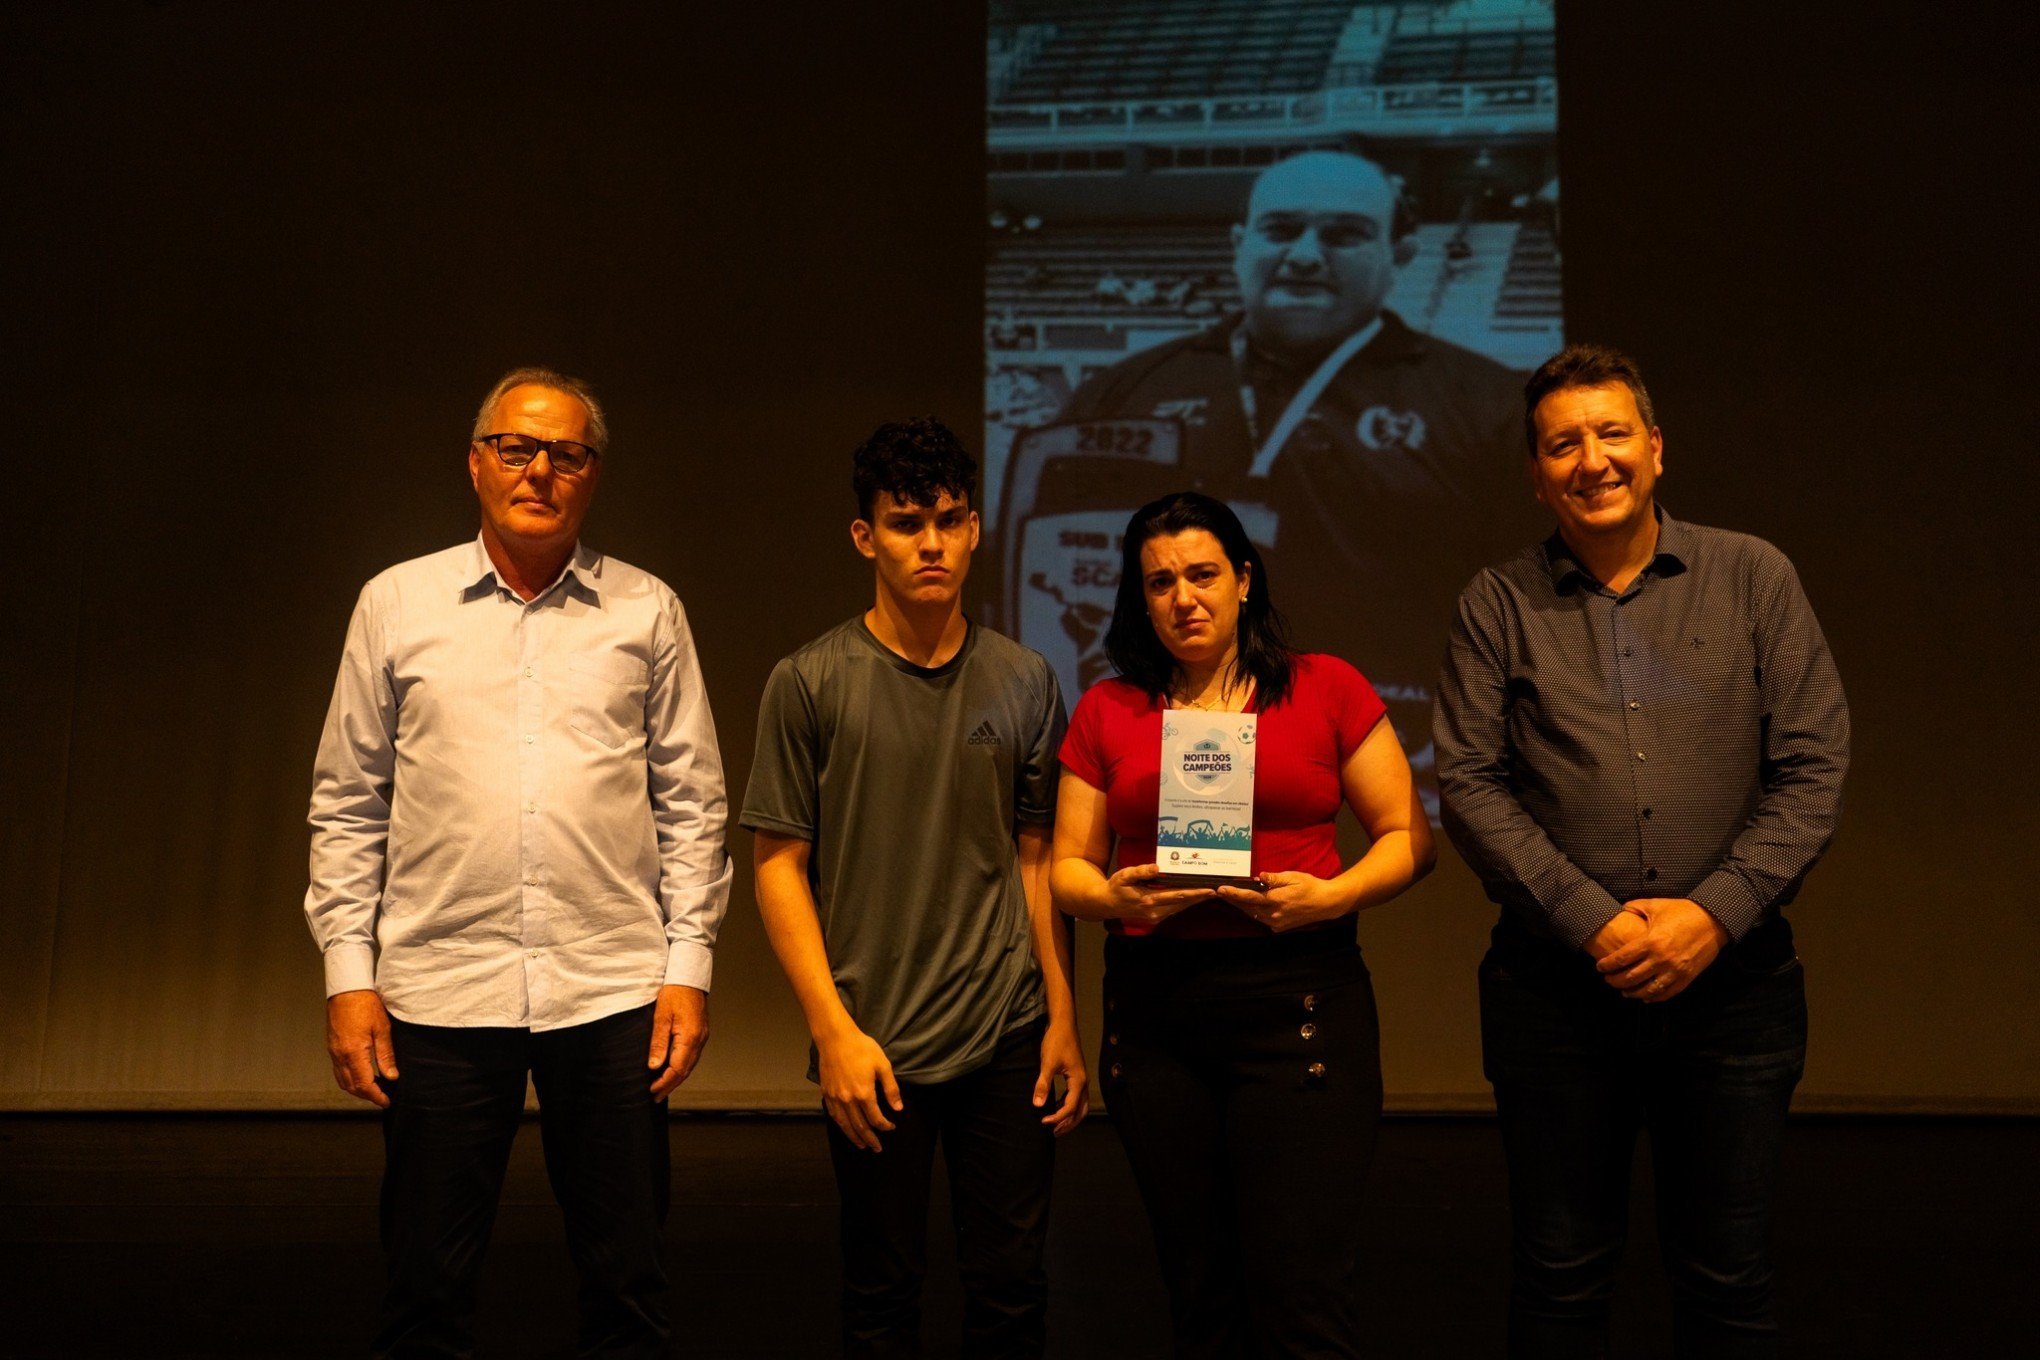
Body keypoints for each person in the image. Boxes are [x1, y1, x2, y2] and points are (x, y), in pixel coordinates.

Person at [1433, 344, 1850, 1357]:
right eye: (1562, 443)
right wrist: (1597, 922)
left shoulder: (1754, 576)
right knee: (1562, 1281)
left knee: (1729, 1281)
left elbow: (1814, 762)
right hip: (1555, 997)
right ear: (1536, 474)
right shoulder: (1496, 603)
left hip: (1736, 991)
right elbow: (1470, 783)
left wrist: (1713, 914)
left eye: (1612, 433)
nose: (1592, 459)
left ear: (1656, 449)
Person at [305, 368, 730, 1358]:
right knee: (424, 1294)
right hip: (438, 989)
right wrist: (348, 976)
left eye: (566, 452)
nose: (540, 469)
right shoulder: (396, 603)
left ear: (592, 473)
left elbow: (693, 798)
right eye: (516, 447)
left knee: (628, 1289)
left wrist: (688, 965)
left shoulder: (647, 609)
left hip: (613, 988)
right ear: (475, 462)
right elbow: (346, 798)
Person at [1008, 150, 1541, 800]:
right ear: (1240, 244)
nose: (1307, 255)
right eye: (1281, 230)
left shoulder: (1484, 403)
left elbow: (1526, 610)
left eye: (1344, 234)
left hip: (1398, 768)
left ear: (1401, 251)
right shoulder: (1122, 392)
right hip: (1178, 766)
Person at [1050, 491, 1434, 1357]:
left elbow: (1411, 841)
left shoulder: (1324, 686)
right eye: (1159, 582)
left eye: (1202, 574)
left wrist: (1333, 897)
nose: (1183, 597)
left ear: (1245, 580)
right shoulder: (1109, 708)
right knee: (1200, 1297)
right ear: (1138, 598)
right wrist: (1113, 898)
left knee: (1301, 1299)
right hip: (1157, 1018)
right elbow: (1066, 869)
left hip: (1299, 1002)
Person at [742, 417, 1080, 1358]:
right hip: (872, 1035)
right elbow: (778, 867)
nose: (931, 543)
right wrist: (831, 1031)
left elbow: (1038, 859)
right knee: (881, 1295)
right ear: (866, 537)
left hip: (1007, 1029)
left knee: (1012, 1291)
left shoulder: (1023, 680)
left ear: (976, 530)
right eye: (905, 523)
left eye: (949, 520)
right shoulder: (808, 683)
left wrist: (1061, 1015)